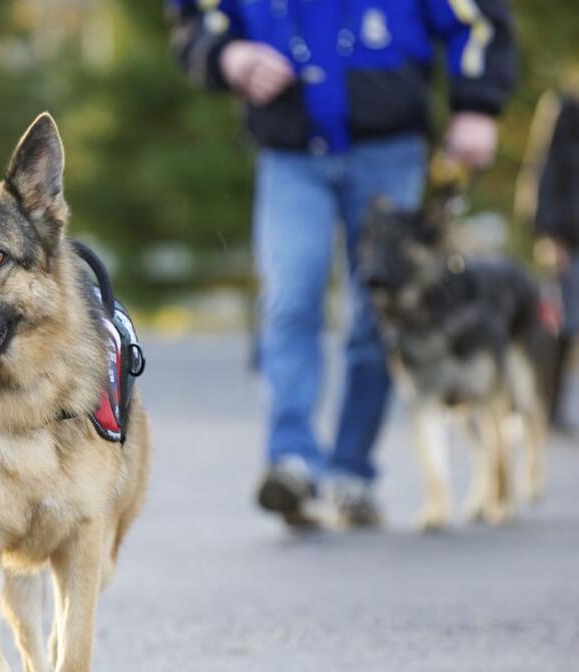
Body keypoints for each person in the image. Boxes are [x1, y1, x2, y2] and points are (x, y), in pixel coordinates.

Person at [169, 0, 515, 529]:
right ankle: (292, 463)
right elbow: (196, 16)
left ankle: (352, 473)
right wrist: (227, 54)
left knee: (380, 312)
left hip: (389, 147)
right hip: (289, 151)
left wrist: (477, 103)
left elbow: (477, 17)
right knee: (289, 299)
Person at [518, 74, 579, 432]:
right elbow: (545, 171)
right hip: (568, 238)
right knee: (560, 325)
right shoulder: (565, 108)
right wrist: (549, 235)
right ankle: (544, 408)